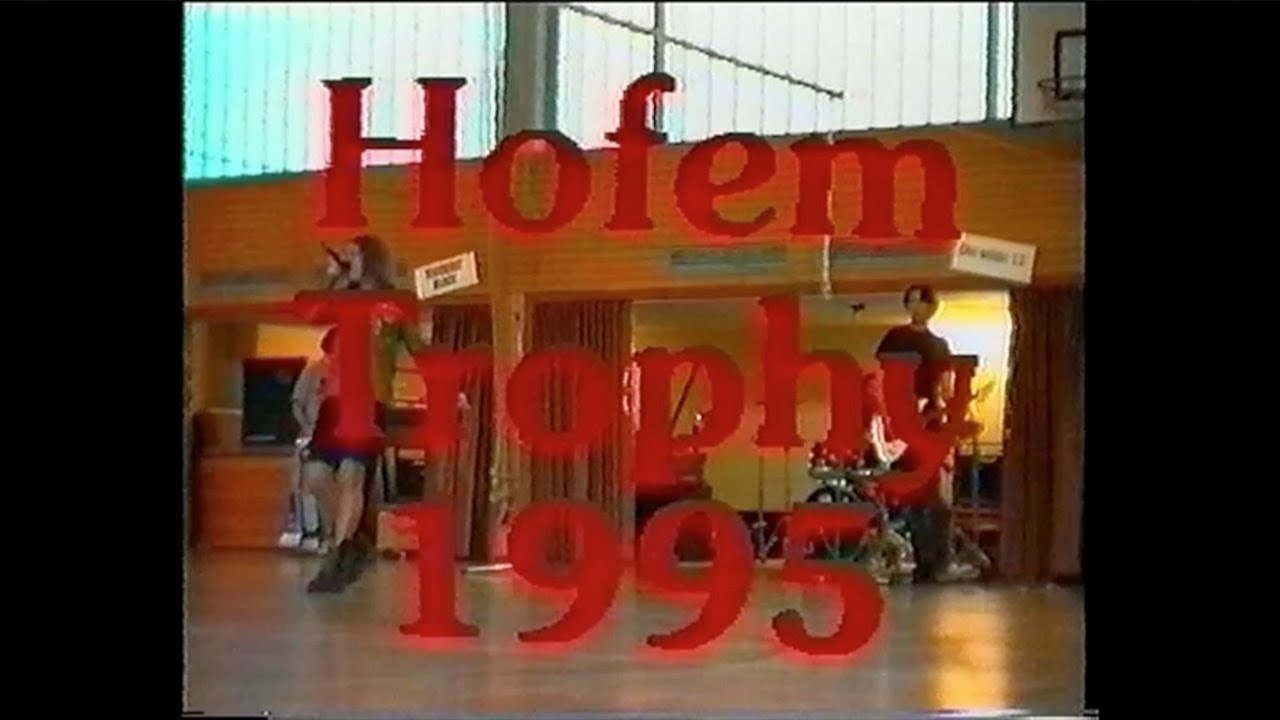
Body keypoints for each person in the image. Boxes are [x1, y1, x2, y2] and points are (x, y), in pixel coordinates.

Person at [303, 234, 426, 594]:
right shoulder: (343, 296)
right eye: (345, 255)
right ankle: (352, 542)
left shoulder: (396, 303)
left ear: (371, 260)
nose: (347, 260)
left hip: (369, 399)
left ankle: (338, 554)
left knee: (352, 475)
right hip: (335, 400)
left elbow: (419, 349)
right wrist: (332, 279)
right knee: (316, 477)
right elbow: (313, 315)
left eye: (353, 255)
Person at [871, 284, 970, 583]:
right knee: (914, 497)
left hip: (931, 422)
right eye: (911, 302)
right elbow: (883, 378)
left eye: (921, 302)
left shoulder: (939, 345)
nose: (916, 308)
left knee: (938, 498)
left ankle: (938, 561)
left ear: (931, 307)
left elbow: (944, 384)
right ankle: (923, 560)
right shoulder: (895, 337)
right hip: (904, 420)